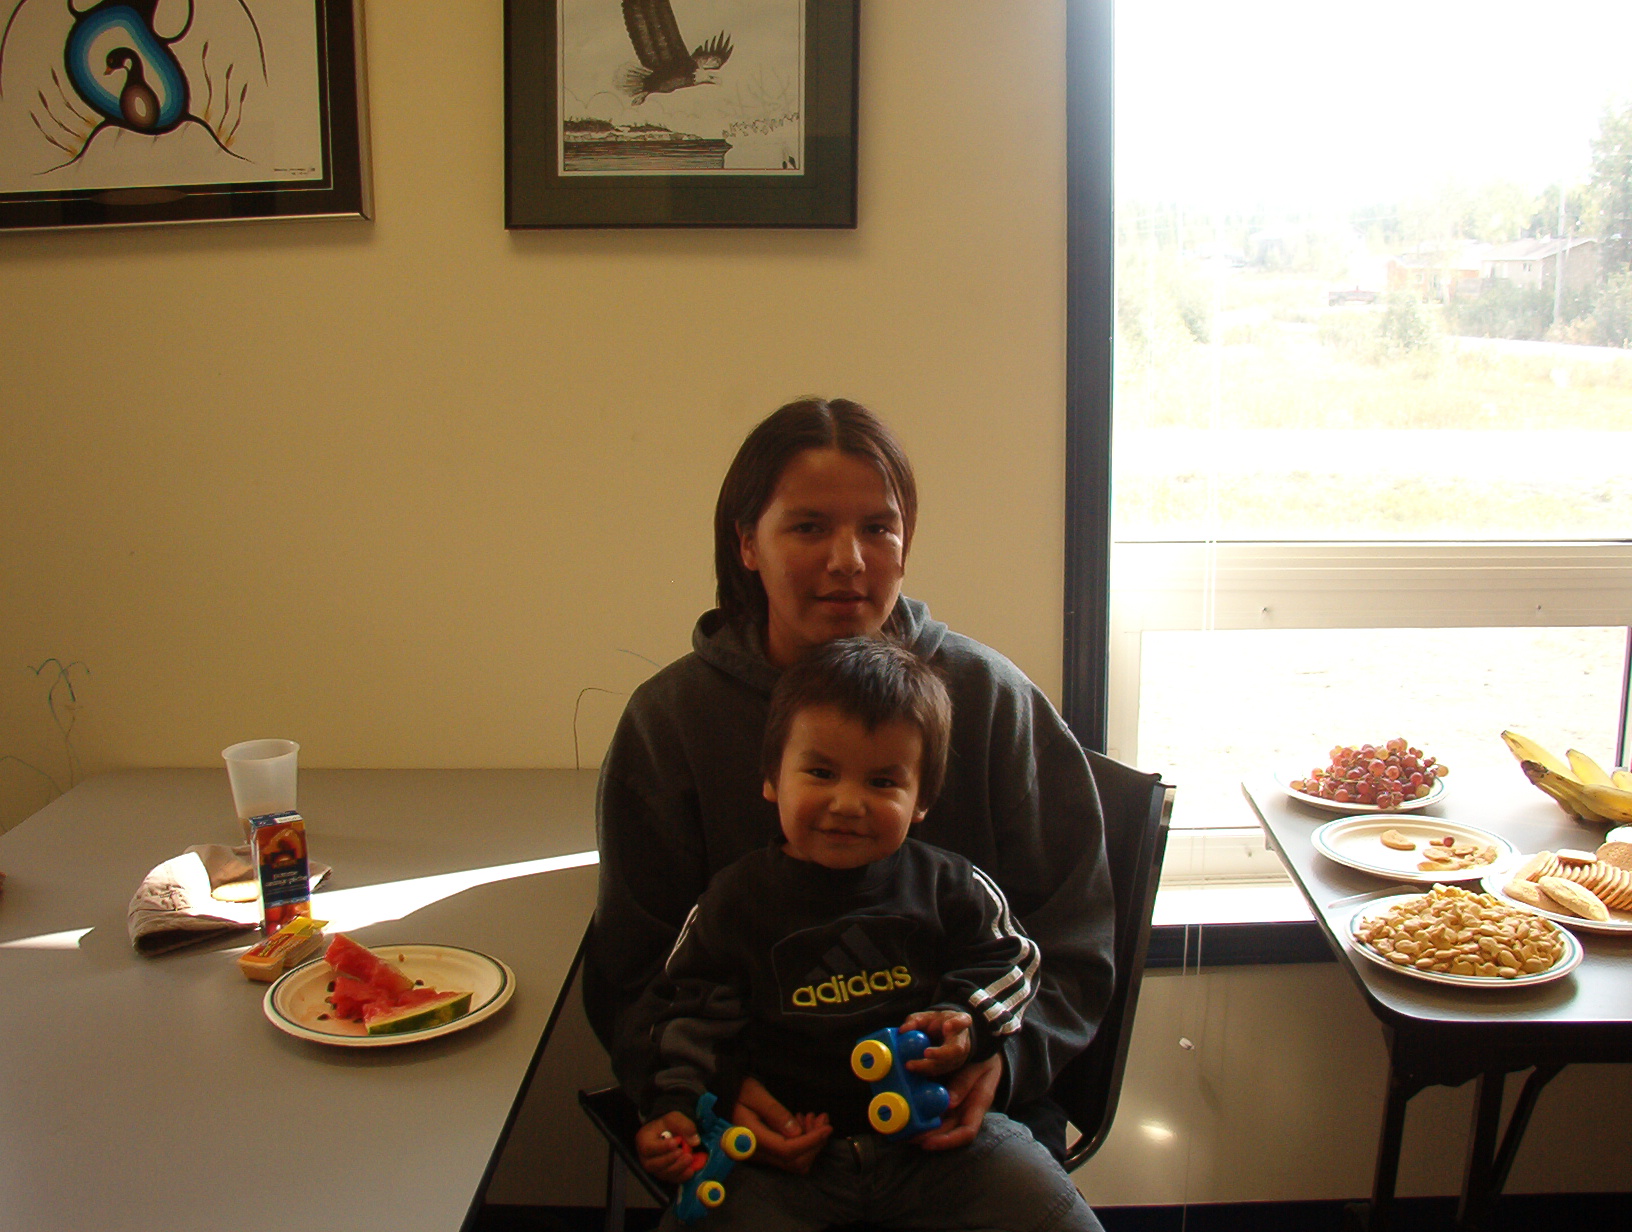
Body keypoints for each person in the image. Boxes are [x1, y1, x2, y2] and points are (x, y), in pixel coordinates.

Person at [585, 396, 1114, 1173]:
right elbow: (634, 971)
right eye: (808, 527)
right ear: (747, 544)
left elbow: (1074, 939)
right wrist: (712, 1090)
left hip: (963, 1130)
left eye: (877, 527)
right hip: (766, 1134)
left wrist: (1009, 1060)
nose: (849, 560)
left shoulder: (989, 699)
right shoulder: (671, 724)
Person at [630, 638, 1101, 1231]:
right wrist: (675, 1109)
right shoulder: (733, 902)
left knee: (1047, 1201)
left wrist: (968, 1023)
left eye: (883, 783)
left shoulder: (951, 886)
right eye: (821, 772)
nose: (848, 803)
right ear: (773, 778)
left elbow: (1014, 962)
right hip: (787, 1165)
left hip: (943, 1147)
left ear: (922, 800)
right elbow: (683, 1013)